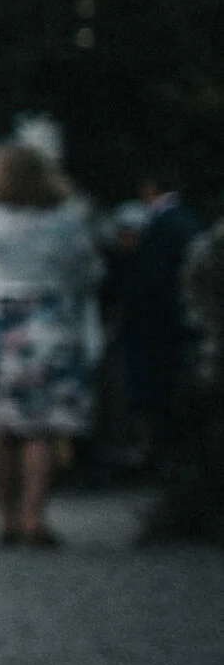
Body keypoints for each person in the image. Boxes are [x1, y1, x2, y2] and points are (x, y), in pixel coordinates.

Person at [0, 143, 103, 548]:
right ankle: (34, 515)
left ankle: (7, 515)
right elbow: (87, 273)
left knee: (2, 424)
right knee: (41, 428)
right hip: (47, 324)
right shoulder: (63, 221)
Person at [113, 173, 198, 463]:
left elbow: (155, 278)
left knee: (152, 387)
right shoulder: (181, 221)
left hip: (155, 323)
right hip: (164, 322)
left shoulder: (165, 224)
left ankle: (151, 449)